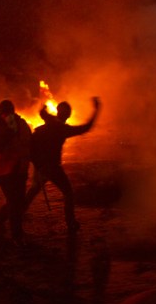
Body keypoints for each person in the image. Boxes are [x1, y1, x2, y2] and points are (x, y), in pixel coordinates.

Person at [25, 96, 100, 233]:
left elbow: (43, 113)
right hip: (51, 167)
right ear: (68, 115)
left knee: (32, 192)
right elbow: (86, 128)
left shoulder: (51, 121)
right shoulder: (62, 129)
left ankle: (8, 214)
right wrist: (96, 110)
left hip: (40, 165)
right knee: (68, 193)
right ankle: (71, 223)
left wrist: (43, 108)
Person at [0, 99, 32, 247]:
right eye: (5, 112)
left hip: (20, 168)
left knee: (18, 201)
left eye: (10, 112)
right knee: (14, 201)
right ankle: (17, 235)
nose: (8, 115)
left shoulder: (21, 123)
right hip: (3, 170)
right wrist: (8, 134)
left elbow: (28, 143)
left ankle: (0, 217)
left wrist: (36, 160)